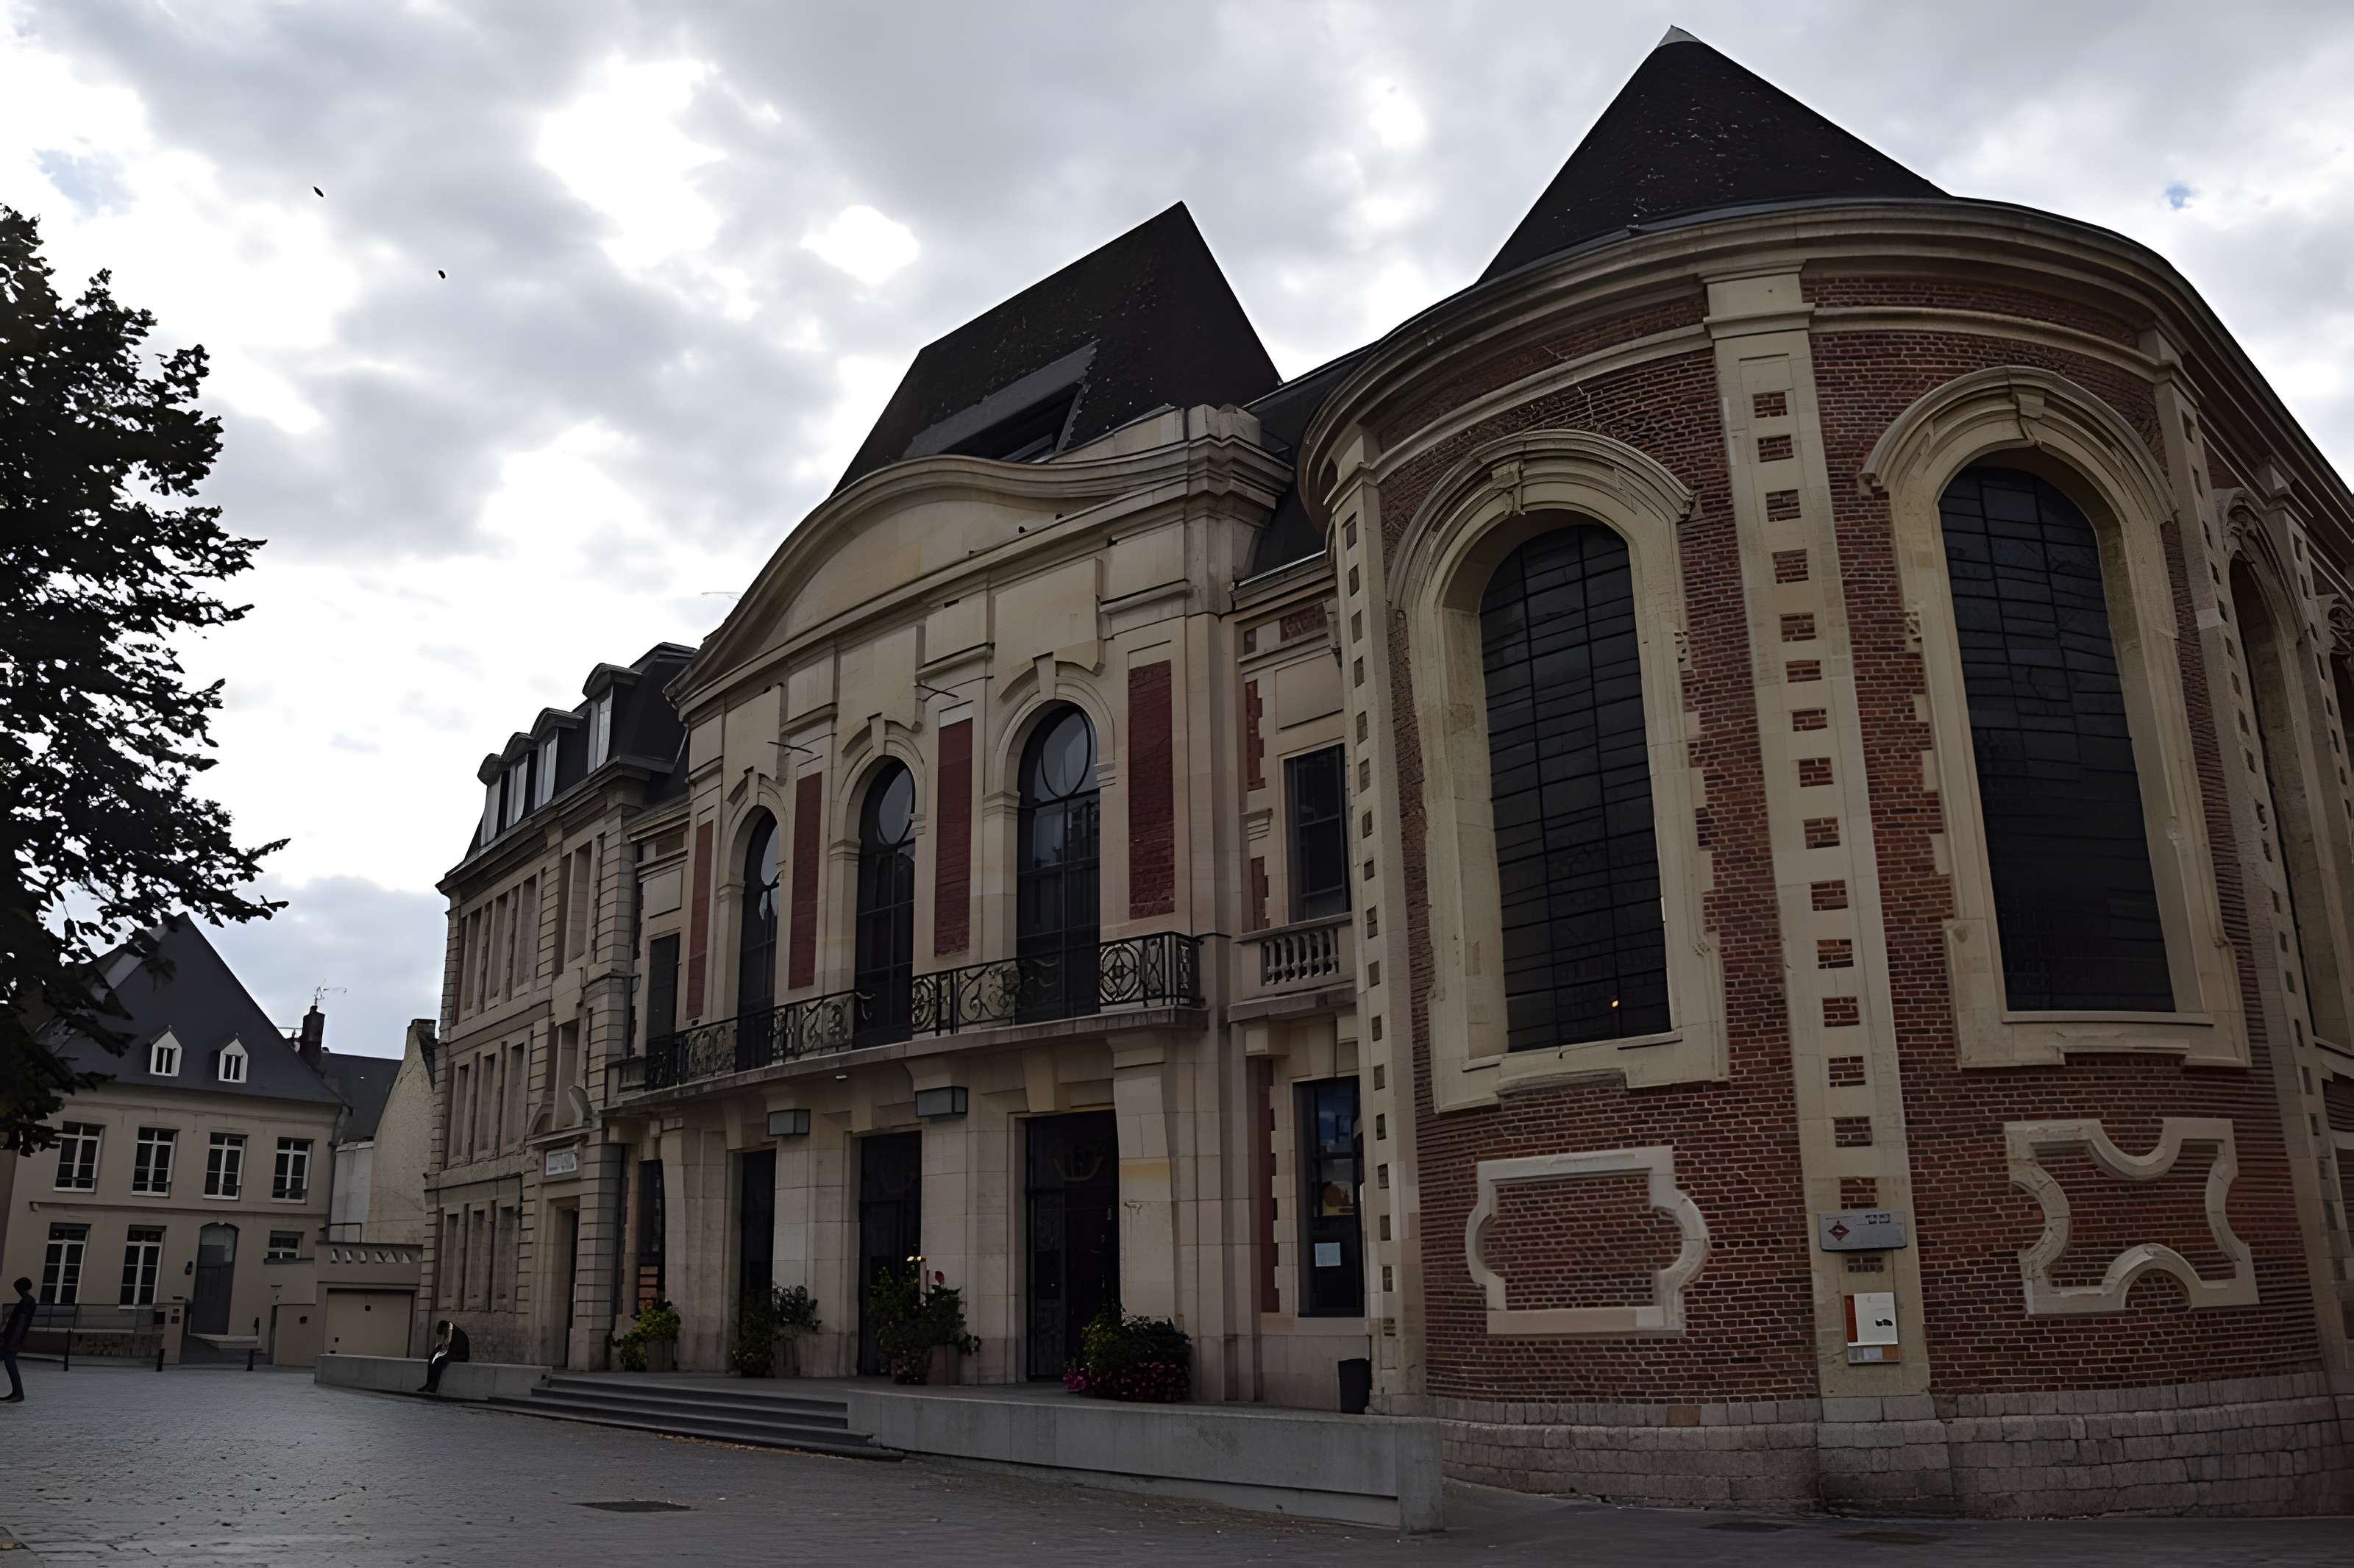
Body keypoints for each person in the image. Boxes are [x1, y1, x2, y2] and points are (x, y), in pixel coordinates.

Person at [418, 1318, 470, 1394]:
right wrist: (433, 1355)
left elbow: (457, 1349)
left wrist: (442, 1354)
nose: (444, 1333)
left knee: (440, 1360)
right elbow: (439, 1346)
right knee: (432, 1359)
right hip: (452, 1353)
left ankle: (434, 1385)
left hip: (461, 1356)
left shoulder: (458, 1334)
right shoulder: (447, 1332)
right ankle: (428, 1384)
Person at [2, 1276, 34, 1403]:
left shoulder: (27, 1301)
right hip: (11, 1339)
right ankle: (16, 1393)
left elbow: (20, 1323)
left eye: (18, 1288)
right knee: (10, 1365)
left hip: (12, 1340)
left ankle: (18, 1394)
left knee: (11, 1365)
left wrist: (12, 1342)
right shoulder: (26, 1300)